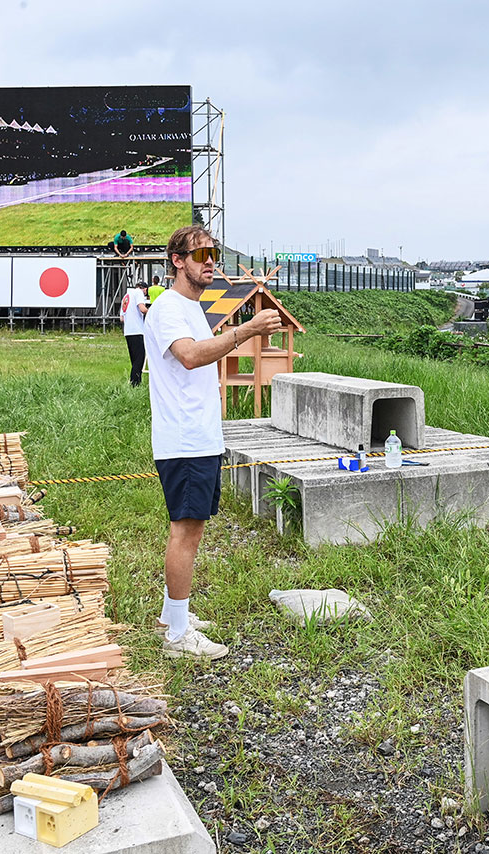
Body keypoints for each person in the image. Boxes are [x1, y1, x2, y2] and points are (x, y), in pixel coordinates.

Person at [143, 225, 282, 660]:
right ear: (177, 261)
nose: (209, 261)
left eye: (213, 253)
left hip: (198, 435)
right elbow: (190, 355)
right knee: (185, 531)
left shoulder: (190, 307)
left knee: (193, 528)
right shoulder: (168, 309)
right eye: (199, 253)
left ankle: (173, 616)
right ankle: (179, 637)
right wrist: (247, 331)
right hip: (184, 439)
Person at [120, 282, 150, 386]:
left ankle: (135, 381)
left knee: (134, 358)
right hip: (137, 330)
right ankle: (135, 383)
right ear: (144, 289)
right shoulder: (138, 293)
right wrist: (151, 312)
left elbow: (122, 318)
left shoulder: (126, 296)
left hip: (128, 331)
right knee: (140, 358)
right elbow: (142, 309)